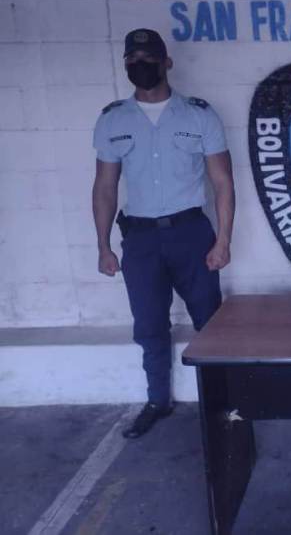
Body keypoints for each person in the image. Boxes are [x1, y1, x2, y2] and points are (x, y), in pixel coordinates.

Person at [92, 28, 235, 438]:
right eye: (132, 59)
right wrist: (103, 246)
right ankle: (158, 401)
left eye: (148, 58)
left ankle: (222, 405)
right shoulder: (113, 119)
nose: (140, 65)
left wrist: (223, 239)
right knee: (150, 325)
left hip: (191, 234)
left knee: (210, 322)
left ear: (166, 62)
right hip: (140, 240)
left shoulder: (199, 115)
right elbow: (104, 187)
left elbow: (223, 182)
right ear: (125, 64)